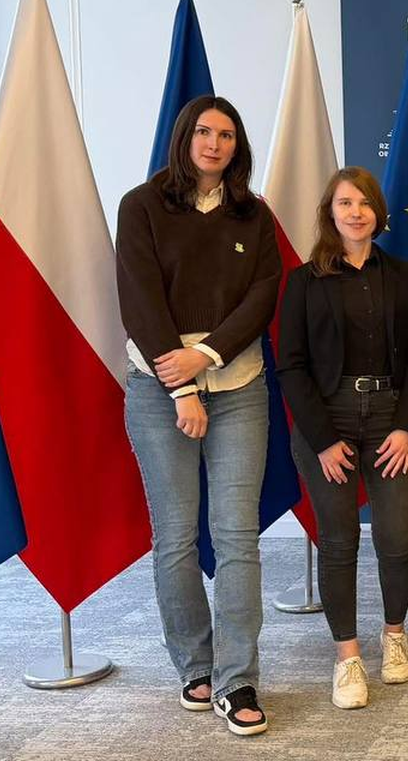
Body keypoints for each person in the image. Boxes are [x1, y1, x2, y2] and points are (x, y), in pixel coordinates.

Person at [117, 95, 280, 735]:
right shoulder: (142, 205)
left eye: (227, 135)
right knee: (177, 536)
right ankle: (195, 665)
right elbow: (139, 298)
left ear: (238, 146)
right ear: (185, 137)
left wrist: (208, 355)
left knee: (237, 536)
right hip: (159, 388)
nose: (215, 144)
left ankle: (237, 679)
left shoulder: (253, 214)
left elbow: (263, 296)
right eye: (205, 132)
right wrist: (182, 385)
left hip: (239, 383)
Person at [275, 166, 408, 711]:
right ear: (330, 212)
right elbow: (290, 365)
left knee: (398, 537)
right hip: (328, 420)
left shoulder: (403, 275)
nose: (356, 212)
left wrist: (406, 427)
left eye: (364, 203)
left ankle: (395, 634)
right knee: (339, 542)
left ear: (378, 213)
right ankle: (347, 656)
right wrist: (322, 440)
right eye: (345, 203)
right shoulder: (303, 281)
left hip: (390, 417)